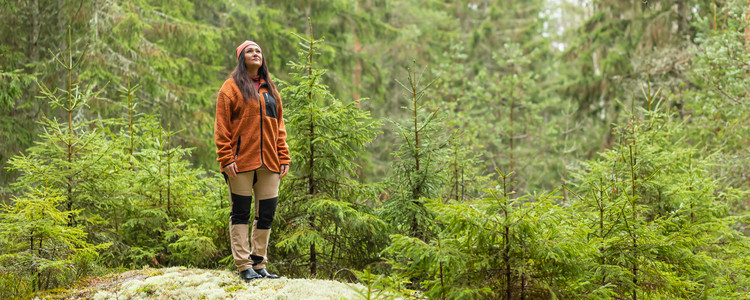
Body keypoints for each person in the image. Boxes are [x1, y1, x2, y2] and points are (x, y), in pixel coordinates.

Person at [214, 40, 290, 282]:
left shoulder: (270, 90)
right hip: (239, 163)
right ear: (241, 58)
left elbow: (278, 127)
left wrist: (283, 155)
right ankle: (244, 266)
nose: (255, 53)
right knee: (240, 213)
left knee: (266, 214)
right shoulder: (230, 88)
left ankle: (259, 265)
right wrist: (226, 158)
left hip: (270, 162)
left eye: (258, 50)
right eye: (250, 51)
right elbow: (221, 127)